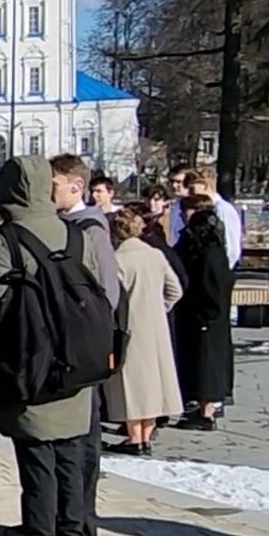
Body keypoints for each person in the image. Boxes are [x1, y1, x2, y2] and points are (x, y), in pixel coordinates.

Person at [0, 156, 103, 536]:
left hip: (33, 366)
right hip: (77, 364)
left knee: (38, 463)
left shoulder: (4, 239)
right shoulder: (76, 233)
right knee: (71, 459)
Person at [51, 153, 119, 536]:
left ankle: (83, 522)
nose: (48, 191)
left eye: (55, 184)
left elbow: (108, 292)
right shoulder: (62, 225)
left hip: (83, 351)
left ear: (76, 186)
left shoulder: (90, 229)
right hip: (65, 349)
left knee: (83, 439)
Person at [104, 207, 182, 455]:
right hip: (156, 326)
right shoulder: (156, 255)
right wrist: (160, 309)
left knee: (131, 382)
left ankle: (134, 437)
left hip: (130, 325)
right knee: (151, 382)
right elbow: (175, 290)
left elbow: (112, 297)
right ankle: (146, 435)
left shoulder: (118, 260)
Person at [174, 196, 234, 431]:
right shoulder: (209, 251)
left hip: (206, 318)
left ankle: (206, 411)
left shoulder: (210, 254)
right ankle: (201, 407)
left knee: (206, 365)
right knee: (202, 363)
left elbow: (213, 288)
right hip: (205, 317)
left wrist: (206, 314)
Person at [168, 166, 244, 267]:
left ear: (204, 185)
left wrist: (219, 272)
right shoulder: (177, 207)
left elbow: (231, 247)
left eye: (192, 187)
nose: (191, 191)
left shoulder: (222, 209)